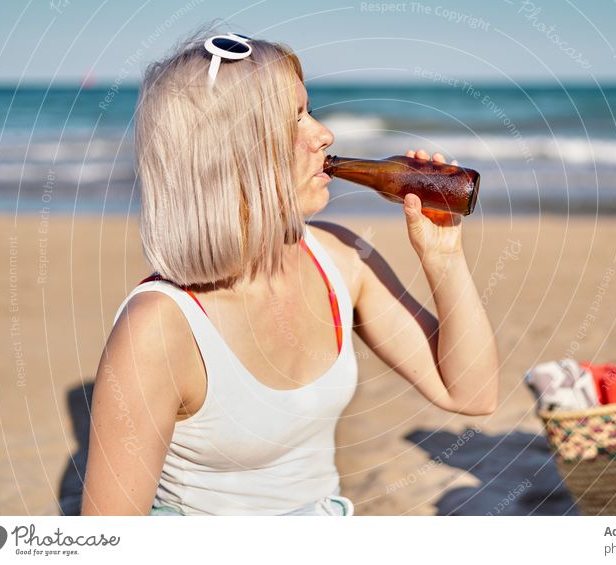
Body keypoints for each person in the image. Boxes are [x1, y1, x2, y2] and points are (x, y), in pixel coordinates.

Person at [80, 28, 499, 516]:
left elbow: (471, 393)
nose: (324, 134)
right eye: (291, 119)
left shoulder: (340, 258)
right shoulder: (159, 327)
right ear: (227, 155)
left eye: (310, 110)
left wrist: (443, 255)